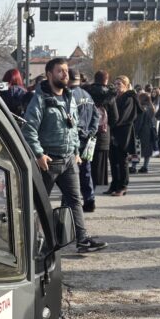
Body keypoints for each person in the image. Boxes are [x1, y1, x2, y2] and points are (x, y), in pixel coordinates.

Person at [21, 57, 107, 253]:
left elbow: (74, 126)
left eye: (66, 70)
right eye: (60, 71)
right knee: (39, 205)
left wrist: (76, 151)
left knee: (75, 200)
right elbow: (29, 130)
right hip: (48, 162)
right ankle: (35, 243)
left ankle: (82, 240)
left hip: (68, 160)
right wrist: (39, 154)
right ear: (50, 74)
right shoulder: (40, 99)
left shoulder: (70, 97)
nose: (65, 74)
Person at [69, 68, 100, 212]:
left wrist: (80, 132)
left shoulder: (69, 95)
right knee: (86, 171)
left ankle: (69, 204)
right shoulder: (87, 95)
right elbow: (96, 116)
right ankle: (89, 199)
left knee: (70, 173)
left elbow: (71, 120)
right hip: (88, 139)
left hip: (75, 139)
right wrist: (91, 132)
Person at [85, 70, 118, 189]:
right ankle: (93, 188)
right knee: (99, 163)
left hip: (87, 132)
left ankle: (85, 187)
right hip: (103, 134)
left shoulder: (86, 92)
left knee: (86, 161)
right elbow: (115, 117)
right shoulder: (110, 95)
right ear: (106, 80)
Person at [106, 75, 138, 196]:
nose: (116, 86)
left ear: (125, 85)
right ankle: (114, 184)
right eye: (115, 84)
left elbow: (124, 116)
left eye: (119, 84)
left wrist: (112, 123)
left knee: (122, 160)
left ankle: (123, 186)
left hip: (123, 132)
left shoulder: (129, 98)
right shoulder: (114, 97)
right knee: (113, 160)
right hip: (113, 131)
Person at [134, 92, 157, 174]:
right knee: (147, 150)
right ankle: (145, 166)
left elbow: (139, 122)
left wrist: (135, 132)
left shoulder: (141, 108)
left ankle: (134, 166)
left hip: (142, 131)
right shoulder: (151, 107)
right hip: (150, 130)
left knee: (137, 149)